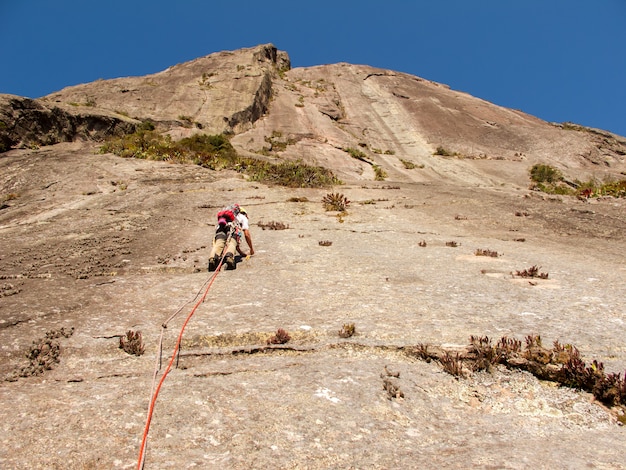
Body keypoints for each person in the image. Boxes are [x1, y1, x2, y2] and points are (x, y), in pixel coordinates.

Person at [207, 204, 240, 271]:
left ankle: (213, 258)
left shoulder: (222, 217)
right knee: (232, 243)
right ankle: (229, 257)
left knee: (218, 243)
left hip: (220, 228)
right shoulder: (237, 217)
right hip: (232, 227)